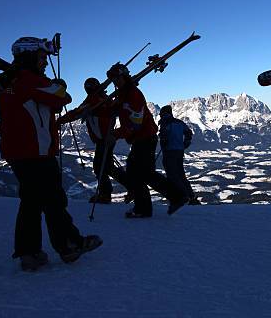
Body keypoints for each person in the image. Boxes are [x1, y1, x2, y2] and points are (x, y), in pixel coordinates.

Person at [0, 37, 102, 271]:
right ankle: (70, 245)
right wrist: (59, 84)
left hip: (18, 152)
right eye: (42, 58)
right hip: (36, 152)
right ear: (29, 57)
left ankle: (29, 253)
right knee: (53, 200)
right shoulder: (29, 80)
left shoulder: (13, 80)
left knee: (31, 202)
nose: (44, 63)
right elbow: (63, 97)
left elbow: (47, 102)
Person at [106, 63, 186, 217]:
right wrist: (114, 108)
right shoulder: (124, 94)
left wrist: (115, 134)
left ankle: (146, 207)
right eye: (113, 79)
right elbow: (123, 110)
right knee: (146, 173)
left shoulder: (132, 94)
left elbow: (135, 123)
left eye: (116, 78)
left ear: (123, 77)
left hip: (144, 137)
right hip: (143, 138)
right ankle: (175, 197)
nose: (114, 82)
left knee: (135, 173)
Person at [59, 77, 130, 204]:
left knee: (99, 167)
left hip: (104, 139)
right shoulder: (104, 99)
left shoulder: (93, 100)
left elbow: (77, 112)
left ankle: (107, 194)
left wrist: (59, 121)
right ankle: (130, 187)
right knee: (107, 166)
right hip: (108, 137)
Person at [158, 105, 198, 205]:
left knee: (171, 175)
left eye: (161, 114)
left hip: (169, 151)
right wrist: (186, 143)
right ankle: (191, 197)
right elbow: (188, 132)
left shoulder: (164, 123)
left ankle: (179, 197)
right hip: (179, 151)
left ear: (163, 114)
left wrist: (163, 141)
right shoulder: (179, 122)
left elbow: (164, 136)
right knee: (181, 175)